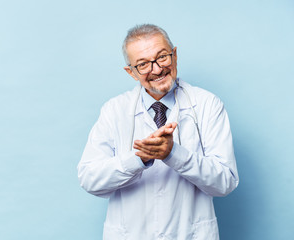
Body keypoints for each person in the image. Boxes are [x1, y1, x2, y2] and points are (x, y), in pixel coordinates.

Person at [77, 24, 239, 240]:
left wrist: (173, 154)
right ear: (131, 72)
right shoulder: (114, 110)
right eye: (142, 64)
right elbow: (90, 179)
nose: (156, 69)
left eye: (162, 57)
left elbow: (225, 182)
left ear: (175, 55)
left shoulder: (208, 104)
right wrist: (138, 159)